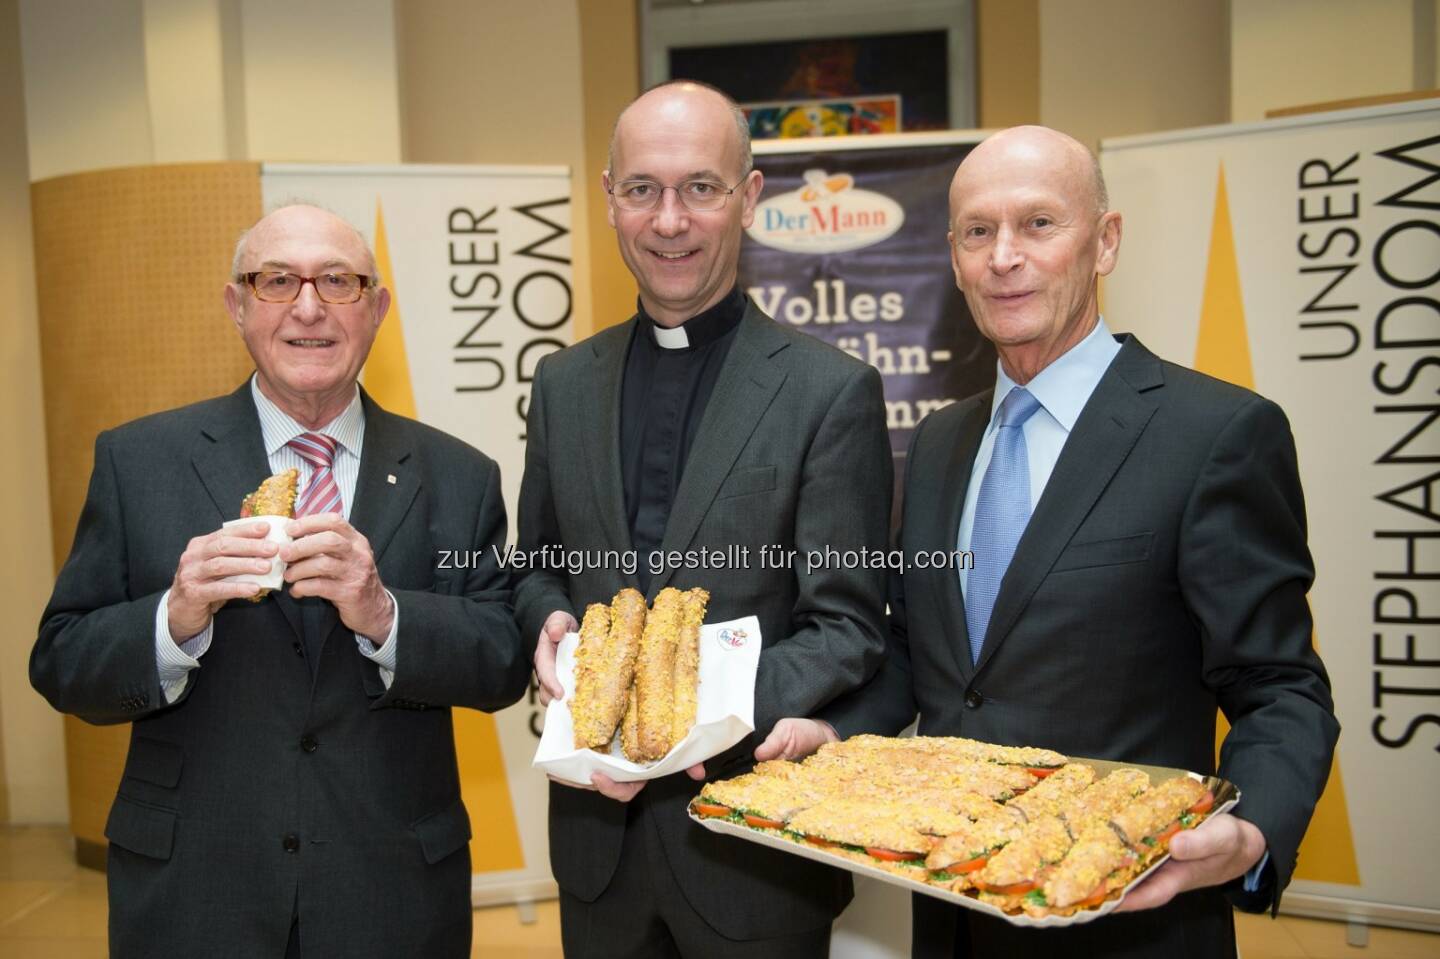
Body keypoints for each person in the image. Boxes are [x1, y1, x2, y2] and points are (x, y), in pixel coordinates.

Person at [780, 125, 1340, 957]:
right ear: (954, 255)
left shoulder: (1215, 434)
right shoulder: (937, 443)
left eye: (1039, 223)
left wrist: (1252, 828)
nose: (1004, 255)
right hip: (952, 910)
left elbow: (1279, 684)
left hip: (1133, 916)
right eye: (978, 231)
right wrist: (836, 731)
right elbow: (918, 650)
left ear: (1104, 241)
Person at [31, 204, 528, 959]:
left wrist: (386, 614)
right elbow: (62, 661)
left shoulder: (459, 474)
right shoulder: (140, 461)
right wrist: (174, 618)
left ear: (377, 309)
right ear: (237, 305)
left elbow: (501, 659)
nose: (308, 307)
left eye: (338, 281)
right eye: (276, 281)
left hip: (389, 893)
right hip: (195, 892)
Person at [515, 80, 892, 957]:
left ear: (750, 197)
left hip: (752, 855)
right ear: (609, 199)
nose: (669, 219)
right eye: (642, 188)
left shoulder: (828, 392)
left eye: (701, 187)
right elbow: (531, 566)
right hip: (596, 857)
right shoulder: (564, 384)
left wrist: (696, 710)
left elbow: (845, 627)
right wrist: (546, 619)